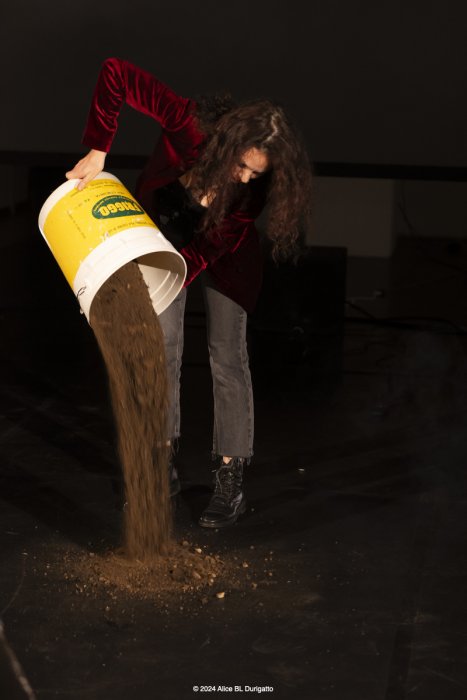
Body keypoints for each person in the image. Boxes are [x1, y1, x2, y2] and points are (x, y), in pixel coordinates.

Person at [66, 57, 313, 529]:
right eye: (241, 165)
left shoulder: (252, 189)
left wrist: (178, 273)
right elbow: (116, 73)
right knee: (162, 351)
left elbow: (216, 242)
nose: (245, 178)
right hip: (163, 238)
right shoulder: (187, 124)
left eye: (256, 174)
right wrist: (98, 149)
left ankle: (230, 482)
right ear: (227, 144)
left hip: (224, 257)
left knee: (227, 357)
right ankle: (160, 474)